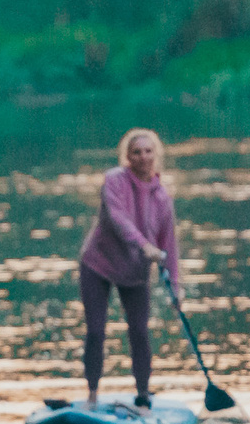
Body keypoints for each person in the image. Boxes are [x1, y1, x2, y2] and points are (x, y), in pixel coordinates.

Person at [77, 127, 180, 406]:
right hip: (98, 264)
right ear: (127, 157)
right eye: (137, 152)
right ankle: (93, 394)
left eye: (148, 151)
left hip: (134, 273)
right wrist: (143, 245)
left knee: (139, 333)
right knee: (96, 331)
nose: (143, 157)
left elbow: (168, 244)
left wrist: (176, 290)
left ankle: (143, 395)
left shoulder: (162, 199)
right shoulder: (114, 181)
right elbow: (118, 218)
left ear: (156, 156)